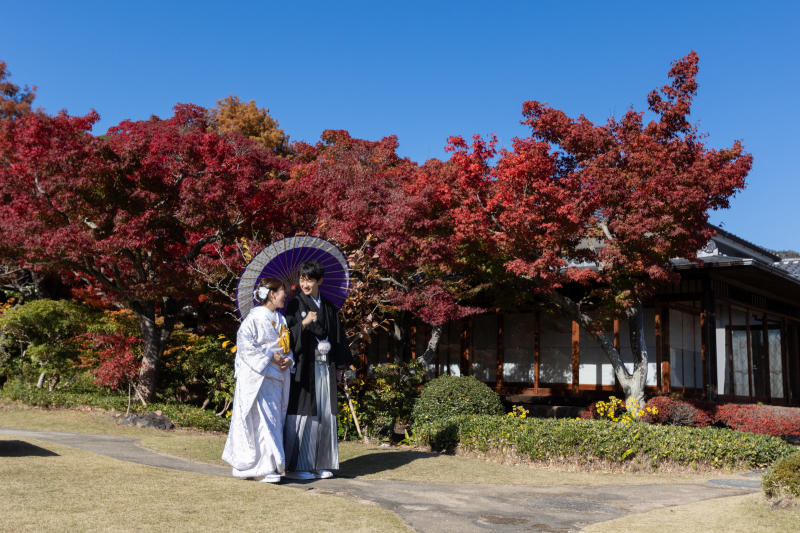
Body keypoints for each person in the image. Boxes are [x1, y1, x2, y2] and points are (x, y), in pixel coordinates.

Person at [283, 259, 354, 480]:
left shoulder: (329, 306)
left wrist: (341, 367)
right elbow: (285, 335)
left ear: (319, 280)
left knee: (325, 413)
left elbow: (339, 338)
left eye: (310, 279)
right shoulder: (295, 305)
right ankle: (297, 465)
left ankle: (322, 463)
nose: (305, 284)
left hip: (326, 365)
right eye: (302, 279)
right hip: (305, 368)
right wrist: (303, 324)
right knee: (304, 414)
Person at [222, 278, 294, 483]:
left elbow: (286, 347)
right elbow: (244, 345)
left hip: (276, 377)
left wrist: (288, 359)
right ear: (272, 294)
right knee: (261, 420)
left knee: (273, 420)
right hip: (258, 377)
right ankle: (262, 468)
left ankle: (267, 466)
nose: (285, 295)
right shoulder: (254, 318)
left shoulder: (281, 320)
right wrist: (270, 356)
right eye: (282, 291)